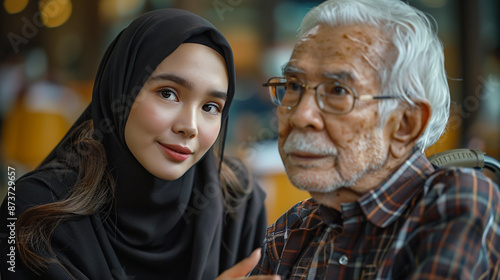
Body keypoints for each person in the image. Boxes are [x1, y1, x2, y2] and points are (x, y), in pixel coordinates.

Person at [0, 9, 278, 280]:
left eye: (210, 106)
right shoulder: (36, 210)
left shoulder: (239, 203)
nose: (190, 126)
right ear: (120, 88)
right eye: (168, 93)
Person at [250, 0, 500, 279]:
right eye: (294, 86)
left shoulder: (453, 201)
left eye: (337, 90)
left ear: (405, 124)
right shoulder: (293, 228)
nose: (300, 116)